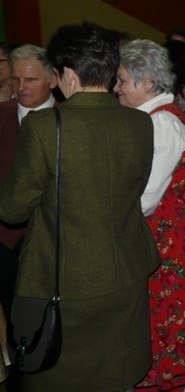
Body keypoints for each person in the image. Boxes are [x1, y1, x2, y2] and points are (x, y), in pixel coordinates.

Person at [0, 23, 160, 392]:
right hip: (126, 271)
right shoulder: (140, 122)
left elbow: (12, 209)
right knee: (117, 376)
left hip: (64, 281)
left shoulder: (44, 126)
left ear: (68, 74)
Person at [116, 40, 185, 391]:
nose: (116, 88)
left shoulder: (161, 124)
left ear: (146, 83)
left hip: (166, 247)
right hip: (166, 244)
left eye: (122, 80)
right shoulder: (153, 119)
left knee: (171, 323)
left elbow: (145, 197)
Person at [0, 44, 58, 392]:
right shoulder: (2, 116)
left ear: (53, 79)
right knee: (14, 322)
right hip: (5, 243)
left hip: (54, 242)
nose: (21, 87)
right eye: (15, 79)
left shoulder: (71, 117)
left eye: (31, 79)